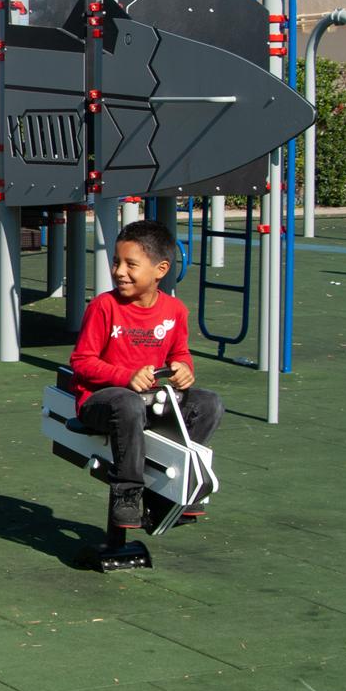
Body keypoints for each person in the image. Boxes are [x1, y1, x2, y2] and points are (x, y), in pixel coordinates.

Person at [65, 219, 222, 530]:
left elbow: (179, 353)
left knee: (209, 404)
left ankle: (170, 493)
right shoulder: (103, 307)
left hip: (149, 401)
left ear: (160, 270)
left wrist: (184, 369)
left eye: (130, 264)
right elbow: (81, 362)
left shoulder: (175, 311)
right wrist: (126, 377)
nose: (119, 271)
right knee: (127, 403)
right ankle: (128, 494)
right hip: (100, 401)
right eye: (116, 262)